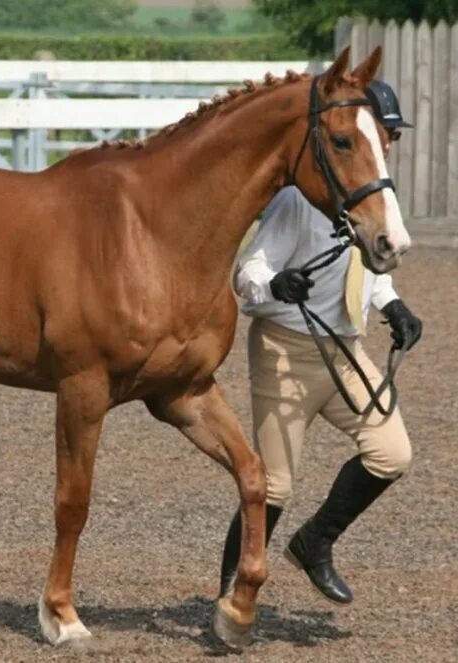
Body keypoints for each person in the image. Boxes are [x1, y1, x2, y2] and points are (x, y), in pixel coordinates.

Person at [218, 80, 423, 605]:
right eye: (384, 134)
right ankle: (228, 593)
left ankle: (315, 543)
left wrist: (391, 303)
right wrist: (274, 285)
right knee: (275, 487)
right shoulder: (298, 199)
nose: (388, 146)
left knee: (391, 453)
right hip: (286, 350)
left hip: (346, 350)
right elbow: (249, 270)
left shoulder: (367, 194)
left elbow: (370, 264)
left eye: (391, 137)